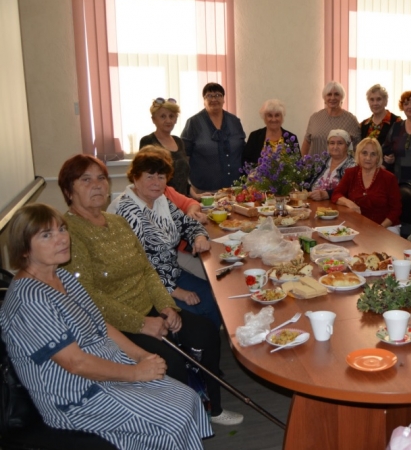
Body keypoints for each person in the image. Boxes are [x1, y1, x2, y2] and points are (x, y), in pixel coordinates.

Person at [0, 204, 213, 448]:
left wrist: (142, 356)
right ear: (24, 249)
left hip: (107, 371)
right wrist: (136, 373)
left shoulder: (63, 276)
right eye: (46, 235)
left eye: (61, 229)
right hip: (77, 397)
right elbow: (75, 363)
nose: (61, 239)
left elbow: (100, 323)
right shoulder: (30, 299)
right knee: (172, 419)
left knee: (187, 397)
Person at [58, 154, 243, 426]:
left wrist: (166, 305)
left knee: (205, 332)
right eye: (85, 180)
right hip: (115, 323)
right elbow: (86, 297)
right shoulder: (71, 233)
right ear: (68, 190)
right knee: (170, 362)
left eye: (101, 178)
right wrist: (141, 322)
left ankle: (211, 408)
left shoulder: (116, 223)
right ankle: (184, 424)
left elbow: (146, 269)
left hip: (150, 304)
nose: (96, 185)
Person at [108, 146, 221, 329]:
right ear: (135, 177)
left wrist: (199, 237)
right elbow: (140, 265)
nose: (156, 182)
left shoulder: (160, 200)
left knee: (213, 298)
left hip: (172, 272)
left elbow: (186, 223)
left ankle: (209, 341)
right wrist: (176, 291)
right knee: (198, 320)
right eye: (150, 176)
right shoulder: (126, 210)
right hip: (147, 286)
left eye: (161, 177)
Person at [181, 82, 246, 195]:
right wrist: (188, 187)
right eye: (209, 96)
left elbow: (242, 149)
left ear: (223, 99)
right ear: (204, 100)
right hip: (203, 191)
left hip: (235, 189)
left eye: (218, 95)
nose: (214, 99)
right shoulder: (193, 123)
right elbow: (184, 156)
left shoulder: (234, 121)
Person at [331, 138, 401, 227]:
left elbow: (396, 210)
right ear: (358, 155)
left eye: (373, 154)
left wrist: (380, 228)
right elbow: (336, 194)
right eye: (364, 153)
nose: (368, 158)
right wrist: (349, 203)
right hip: (357, 224)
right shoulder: (350, 173)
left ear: (378, 157)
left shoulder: (389, 178)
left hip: (385, 227)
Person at [139, 97, 191, 196]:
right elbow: (146, 179)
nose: (168, 120)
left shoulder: (179, 141)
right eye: (163, 116)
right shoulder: (148, 142)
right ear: (154, 119)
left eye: (171, 116)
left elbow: (183, 179)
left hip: (182, 200)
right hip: (159, 200)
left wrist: (195, 195)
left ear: (176, 119)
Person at [301, 81, 360, 156]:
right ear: (324, 98)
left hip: (341, 163)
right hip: (314, 163)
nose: (332, 98)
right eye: (329, 94)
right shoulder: (315, 118)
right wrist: (302, 161)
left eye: (336, 94)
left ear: (342, 97)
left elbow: (358, 148)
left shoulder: (351, 120)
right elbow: (307, 142)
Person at [242, 98, 299, 167]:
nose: (273, 119)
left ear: (282, 117)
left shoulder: (291, 138)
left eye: (277, 115)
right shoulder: (255, 136)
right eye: (270, 115)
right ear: (264, 118)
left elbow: (298, 164)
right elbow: (246, 163)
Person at [308, 129, 357, 201]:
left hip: (338, 206)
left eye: (340, 143)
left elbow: (350, 190)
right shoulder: (320, 162)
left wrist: (327, 194)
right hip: (313, 203)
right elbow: (307, 184)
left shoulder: (353, 166)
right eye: (332, 143)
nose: (335, 147)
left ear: (347, 145)